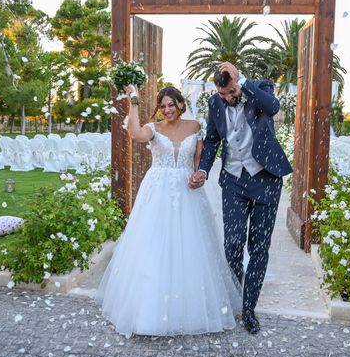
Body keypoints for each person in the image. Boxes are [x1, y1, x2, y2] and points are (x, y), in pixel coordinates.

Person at [95, 85, 241, 337]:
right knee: (154, 246)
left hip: (187, 192)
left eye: (171, 105)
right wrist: (134, 100)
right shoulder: (153, 129)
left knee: (190, 247)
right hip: (157, 193)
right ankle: (147, 311)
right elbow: (134, 133)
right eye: (162, 106)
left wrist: (199, 176)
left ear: (181, 105)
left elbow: (198, 159)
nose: (167, 110)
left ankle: (190, 308)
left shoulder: (195, 127)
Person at [189, 62, 292, 334]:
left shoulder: (259, 89)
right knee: (233, 243)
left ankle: (248, 308)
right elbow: (212, 140)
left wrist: (243, 82)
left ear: (237, 81)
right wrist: (202, 169)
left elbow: (273, 107)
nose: (227, 97)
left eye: (231, 91)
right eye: (223, 94)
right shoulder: (215, 102)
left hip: (266, 179)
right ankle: (239, 289)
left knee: (259, 247)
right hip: (234, 179)